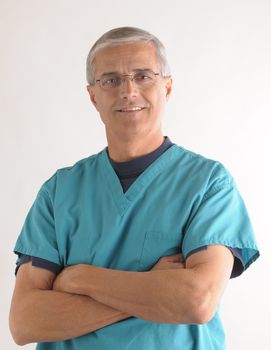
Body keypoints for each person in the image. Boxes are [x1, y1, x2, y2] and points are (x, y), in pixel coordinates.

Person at [9, 26, 259, 350]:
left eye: (143, 76)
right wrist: (154, 289)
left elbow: (197, 300)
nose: (128, 91)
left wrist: (80, 278)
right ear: (93, 96)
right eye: (111, 80)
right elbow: (25, 321)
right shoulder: (59, 192)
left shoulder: (208, 184)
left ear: (166, 88)